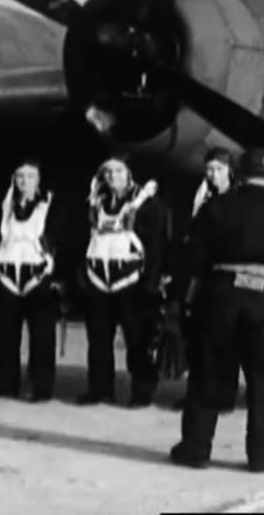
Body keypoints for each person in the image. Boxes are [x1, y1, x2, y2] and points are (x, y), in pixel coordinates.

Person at [168, 147, 264, 473]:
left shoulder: (215, 207)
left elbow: (191, 259)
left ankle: (196, 448)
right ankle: (262, 454)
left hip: (219, 299)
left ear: (237, 172)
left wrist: (176, 300)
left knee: (208, 375)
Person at [77, 156, 168, 408]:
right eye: (107, 172)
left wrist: (151, 282)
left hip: (132, 281)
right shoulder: (96, 203)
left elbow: (157, 246)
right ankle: (99, 389)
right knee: (98, 341)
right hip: (98, 280)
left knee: (138, 340)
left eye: (118, 171)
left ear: (129, 174)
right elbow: (83, 240)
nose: (112, 177)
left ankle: (142, 391)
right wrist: (82, 277)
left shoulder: (148, 204)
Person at [0, 160, 66, 402]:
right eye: (19, 176)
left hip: (37, 277)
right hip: (6, 276)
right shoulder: (4, 204)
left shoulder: (51, 204)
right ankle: (5, 382)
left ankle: (41, 386)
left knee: (42, 337)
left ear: (39, 180)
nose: (23, 181)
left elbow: (61, 239)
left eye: (29, 176)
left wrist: (58, 277)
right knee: (5, 335)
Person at [174, 147, 236, 411]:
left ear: (230, 172)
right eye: (209, 169)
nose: (213, 175)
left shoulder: (237, 200)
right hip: (199, 276)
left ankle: (224, 396)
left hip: (226, 276)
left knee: (226, 341)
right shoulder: (199, 196)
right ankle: (197, 394)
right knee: (198, 340)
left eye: (219, 170)